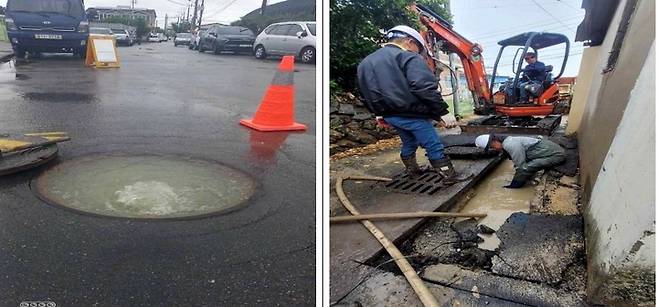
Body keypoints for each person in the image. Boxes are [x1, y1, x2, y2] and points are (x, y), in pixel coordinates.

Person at [357, 25, 468, 182]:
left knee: (410, 141)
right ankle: (449, 175)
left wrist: (379, 113)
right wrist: (442, 112)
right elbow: (423, 87)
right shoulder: (407, 57)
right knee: (433, 144)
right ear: (409, 42)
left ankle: (413, 170)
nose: (418, 53)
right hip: (412, 114)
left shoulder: (366, 62)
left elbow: (364, 92)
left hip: (390, 116)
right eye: (418, 48)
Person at [475, 134, 565, 188]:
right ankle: (529, 178)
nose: (494, 149)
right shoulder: (508, 140)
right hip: (549, 151)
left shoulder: (510, 144)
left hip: (556, 155)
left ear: (495, 141)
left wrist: (513, 185)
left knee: (526, 167)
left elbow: (522, 167)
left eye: (492, 146)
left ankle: (517, 185)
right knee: (524, 166)